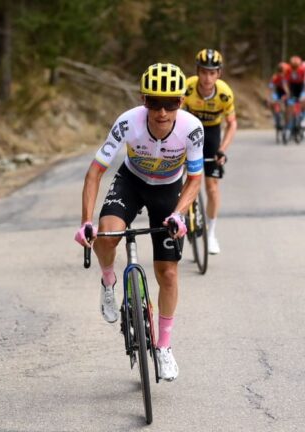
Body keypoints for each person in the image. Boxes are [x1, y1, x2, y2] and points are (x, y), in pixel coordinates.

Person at [75, 63, 204, 381]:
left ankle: (163, 347)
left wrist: (179, 212)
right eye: (154, 103)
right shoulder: (127, 123)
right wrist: (85, 222)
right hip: (131, 182)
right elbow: (95, 172)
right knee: (107, 235)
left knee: (168, 273)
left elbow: (195, 178)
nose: (162, 111)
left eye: (170, 103)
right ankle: (108, 281)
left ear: (181, 103)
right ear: (143, 101)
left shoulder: (192, 128)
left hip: (169, 190)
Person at [182, 49, 237, 255]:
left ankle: (211, 233)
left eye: (212, 73)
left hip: (212, 134)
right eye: (204, 72)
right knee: (181, 177)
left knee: (212, 187)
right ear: (197, 71)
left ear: (219, 74)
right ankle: (183, 212)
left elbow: (232, 124)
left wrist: (222, 149)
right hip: (190, 130)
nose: (207, 78)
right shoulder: (187, 88)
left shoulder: (224, 93)